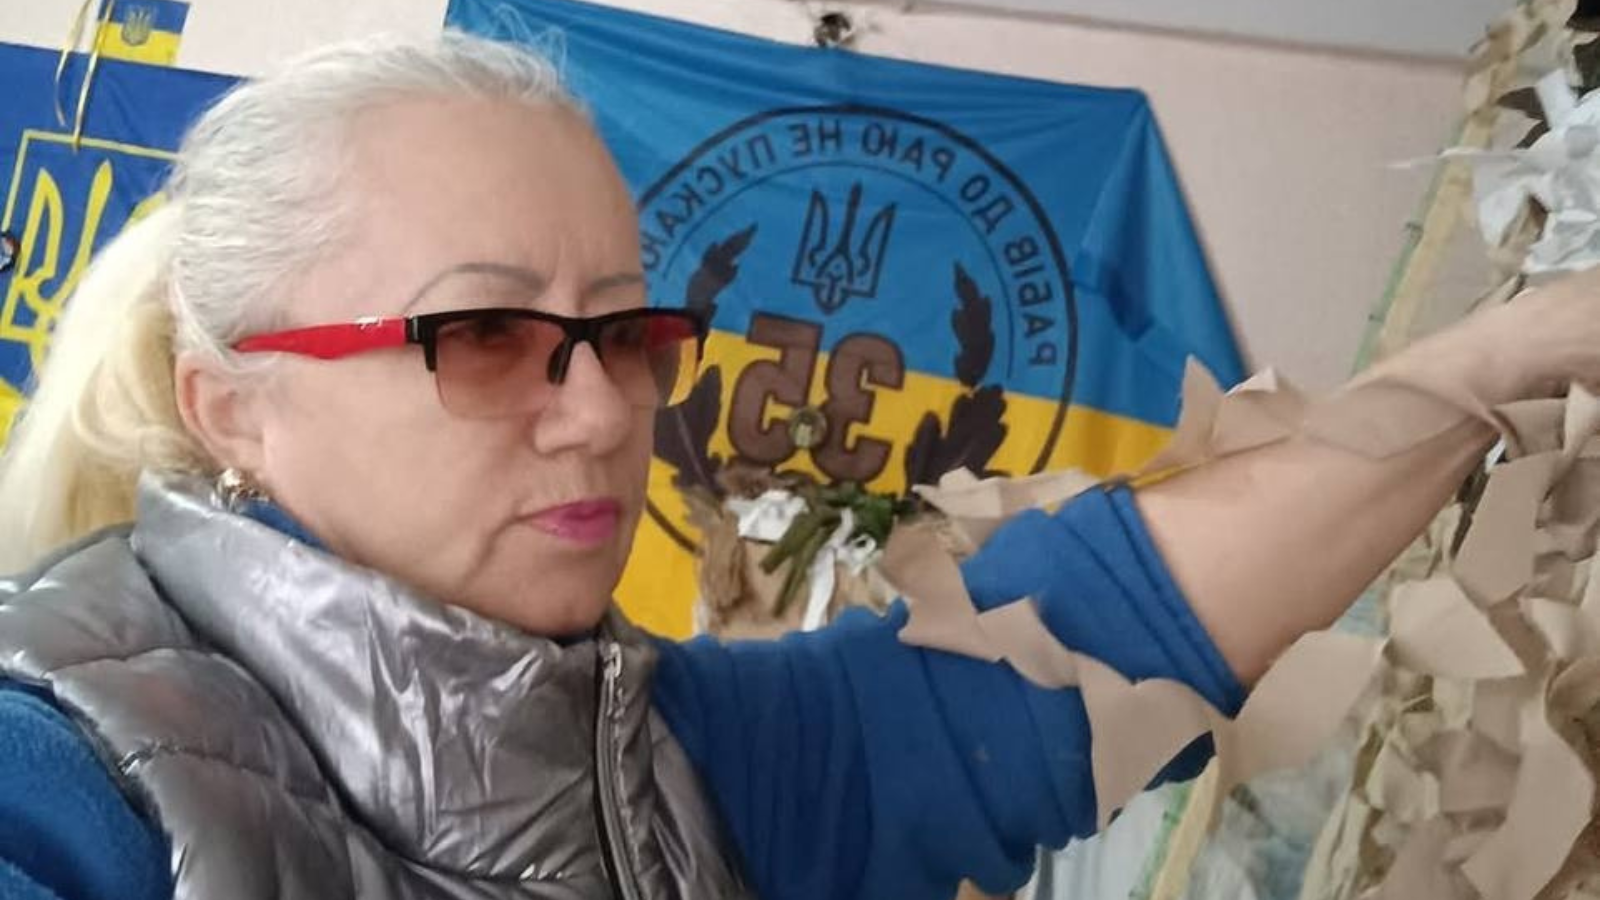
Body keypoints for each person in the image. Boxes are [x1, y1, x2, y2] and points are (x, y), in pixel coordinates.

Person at [0, 29, 1593, 900]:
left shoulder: (664, 765)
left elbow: (1072, 648)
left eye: (628, 332)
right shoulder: (70, 788)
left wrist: (1499, 360)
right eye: (481, 333)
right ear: (232, 407)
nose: (599, 412)